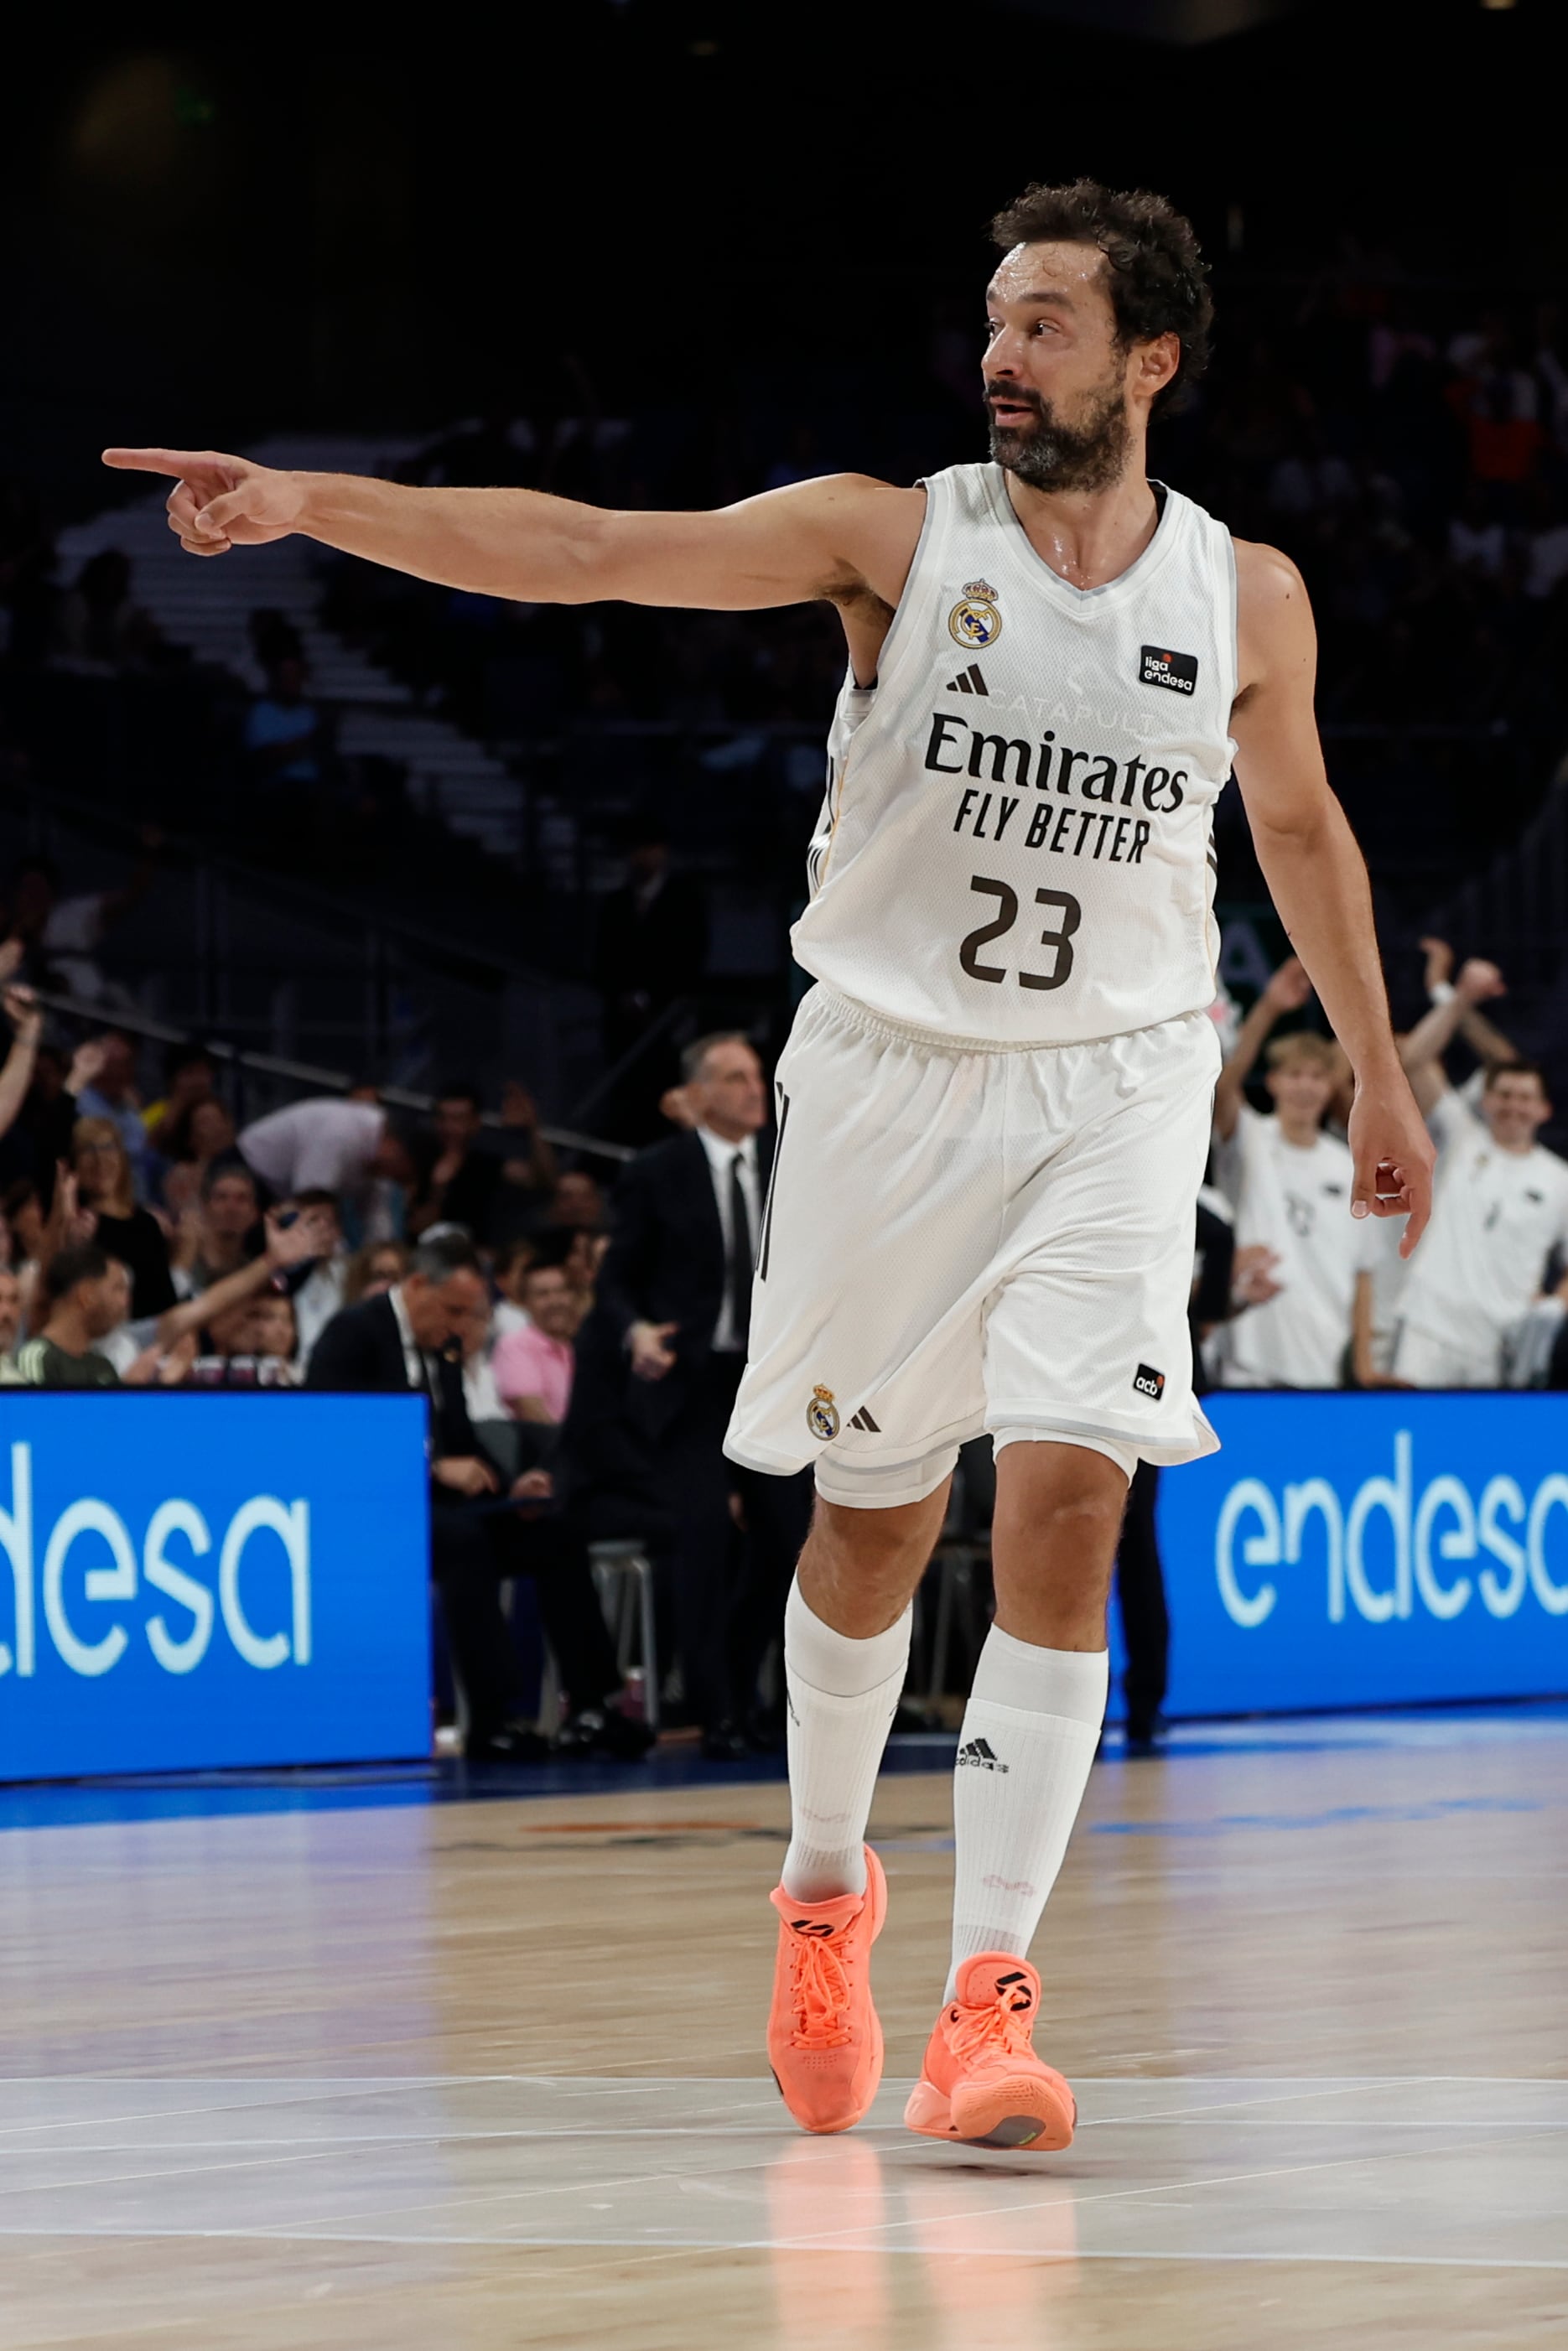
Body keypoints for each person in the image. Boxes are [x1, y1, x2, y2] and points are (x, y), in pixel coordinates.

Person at [115, 176, 1434, 2153]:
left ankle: (988, 1996)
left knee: (1070, 1494)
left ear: (1151, 357)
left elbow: (1305, 824)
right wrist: (316, 503)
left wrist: (1384, 1069)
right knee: (878, 1522)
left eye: (1049, 320)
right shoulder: (892, 536)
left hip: (1121, 1081)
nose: (1002, 348)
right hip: (894, 1079)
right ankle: (826, 1885)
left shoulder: (1243, 594)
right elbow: (584, 552)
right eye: (993, 314)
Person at [305, 1233, 651, 1763]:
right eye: (453, 1310)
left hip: (440, 1503)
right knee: (466, 1543)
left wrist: (507, 1486)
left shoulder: (441, 1342)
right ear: (416, 1285)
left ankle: (590, 1705)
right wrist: (433, 1466)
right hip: (373, 1512)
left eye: (472, 1315)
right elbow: (330, 1443)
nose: (461, 1326)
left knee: (554, 1531)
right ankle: (490, 1718)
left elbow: (460, 1440)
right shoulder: (352, 1335)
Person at [593, 1031, 815, 1757]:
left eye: (756, 1075)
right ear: (700, 1093)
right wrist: (636, 1333)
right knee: (705, 1539)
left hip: (771, 1380)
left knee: (789, 1542)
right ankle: (717, 1710)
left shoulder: (793, 1163)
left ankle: (749, 1691)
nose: (754, 1088)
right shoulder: (657, 1172)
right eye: (734, 1077)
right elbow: (615, 1279)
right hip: (689, 1382)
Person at [1394, 959, 1568, 1386]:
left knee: (1487, 1453)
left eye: (1525, 1098)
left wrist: (1557, 1303)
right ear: (1486, 1101)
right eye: (1504, 1095)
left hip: (1502, 1344)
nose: (1514, 1105)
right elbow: (1412, 1062)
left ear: (1544, 1110)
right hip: (1428, 1327)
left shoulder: (1559, 1178)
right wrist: (1459, 999)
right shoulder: (1460, 1136)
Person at [1210, 958, 1379, 1388]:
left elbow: (1363, 1271)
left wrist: (1362, 1364)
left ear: (1330, 1087)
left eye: (1317, 1076)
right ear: (1273, 1083)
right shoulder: (1249, 1137)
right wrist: (1268, 1007)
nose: (1305, 1086)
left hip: (1322, 1354)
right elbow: (1223, 1090)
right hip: (1248, 1349)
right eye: (1294, 1074)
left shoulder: (1347, 1163)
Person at [70, 1114, 176, 1316]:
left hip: (156, 1331)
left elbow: (166, 1299)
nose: (100, 1159)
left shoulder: (147, 1223)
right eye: (88, 1149)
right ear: (75, 1165)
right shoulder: (77, 1225)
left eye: (108, 1147)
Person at [407, 1082, 503, 1243]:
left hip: (472, 1256)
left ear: (475, 1122)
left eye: (458, 1119)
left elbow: (540, 1178)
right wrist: (438, 1189)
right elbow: (416, 1226)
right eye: (442, 1118)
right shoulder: (417, 1159)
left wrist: (531, 1128)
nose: (449, 1127)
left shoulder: (485, 1165)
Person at [493, 1255, 578, 1424]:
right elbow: (532, 1413)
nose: (555, 1301)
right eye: (543, 1294)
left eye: (561, 1291)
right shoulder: (514, 1347)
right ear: (525, 1302)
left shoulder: (581, 1345)